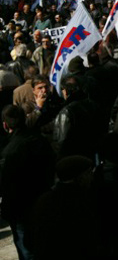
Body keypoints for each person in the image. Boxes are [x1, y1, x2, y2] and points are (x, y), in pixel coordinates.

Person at [0, 105, 55, 260]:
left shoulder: (9, 150)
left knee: (26, 248)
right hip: (41, 199)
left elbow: (6, 182)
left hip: (20, 207)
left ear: (5, 125)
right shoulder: (39, 140)